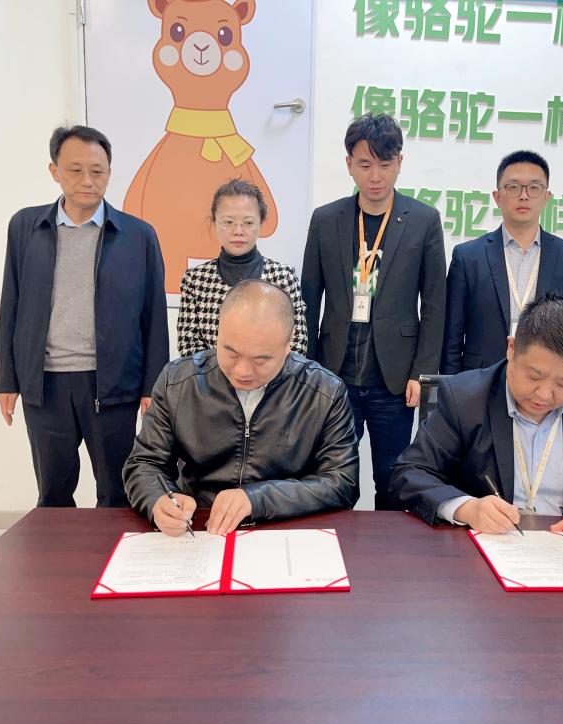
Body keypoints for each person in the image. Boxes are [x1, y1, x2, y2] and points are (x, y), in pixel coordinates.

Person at [391, 294, 563, 546]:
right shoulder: (464, 397)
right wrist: (467, 508)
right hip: (490, 545)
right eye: (534, 376)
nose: (544, 394)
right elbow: (410, 473)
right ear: (511, 348)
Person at [0, 125, 168, 508]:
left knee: (118, 492)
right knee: (53, 492)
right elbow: (11, 304)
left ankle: (114, 548)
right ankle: (58, 549)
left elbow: (154, 316)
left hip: (113, 384)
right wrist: (7, 380)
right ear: (54, 171)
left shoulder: (138, 235)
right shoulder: (26, 227)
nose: (87, 180)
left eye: (97, 171)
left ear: (109, 173)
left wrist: (152, 387)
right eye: (75, 170)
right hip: (45, 384)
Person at [124, 280, 359, 536]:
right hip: (201, 527)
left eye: (261, 360)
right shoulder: (178, 382)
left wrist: (258, 499)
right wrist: (159, 500)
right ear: (218, 332)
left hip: (286, 528)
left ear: (288, 344)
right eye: (231, 352)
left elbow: (342, 481)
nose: (243, 371)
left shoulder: (324, 392)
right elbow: (144, 463)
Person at [301, 113, 446, 510]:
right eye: (365, 165)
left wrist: (422, 373)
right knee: (333, 477)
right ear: (349, 164)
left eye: (385, 164)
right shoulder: (326, 219)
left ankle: (386, 547)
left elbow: (435, 304)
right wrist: (306, 369)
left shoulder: (423, 220)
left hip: (394, 378)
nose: (376, 176)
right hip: (334, 374)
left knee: (391, 477)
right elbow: (308, 300)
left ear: (400, 162)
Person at [442, 150, 563, 374]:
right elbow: (451, 336)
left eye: (534, 187)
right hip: (480, 380)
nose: (524, 196)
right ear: (497, 196)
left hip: (543, 379)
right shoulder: (468, 257)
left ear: (546, 197)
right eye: (514, 187)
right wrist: (452, 385)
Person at [177, 179, 307, 357]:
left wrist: (262, 369)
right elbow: (189, 348)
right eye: (228, 222)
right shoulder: (195, 279)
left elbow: (297, 344)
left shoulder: (283, 277)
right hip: (211, 375)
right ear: (214, 223)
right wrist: (227, 370)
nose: (238, 231)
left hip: (274, 375)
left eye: (248, 222)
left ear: (261, 223)